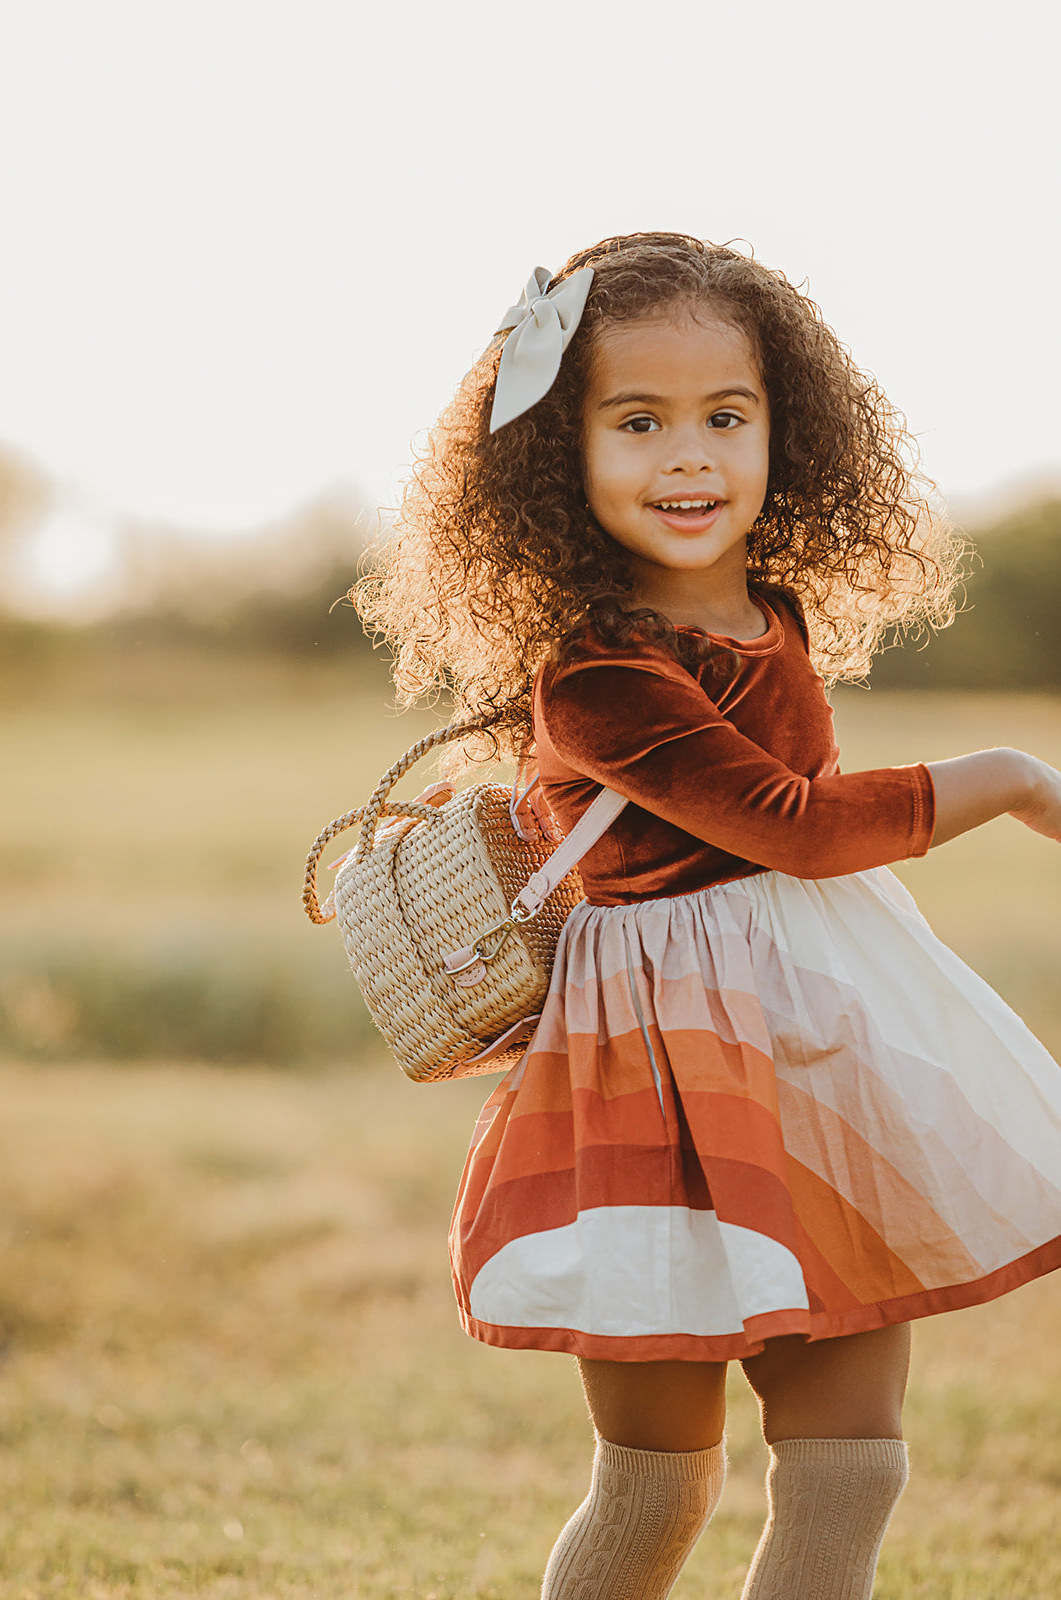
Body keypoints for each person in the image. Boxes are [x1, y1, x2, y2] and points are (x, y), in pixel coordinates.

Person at [354, 233, 1061, 1599]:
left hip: (814, 1055)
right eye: (637, 422)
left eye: (723, 417)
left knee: (852, 1464)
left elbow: (793, 803)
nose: (689, 457)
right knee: (655, 1487)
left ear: (782, 431)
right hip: (653, 1089)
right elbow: (790, 829)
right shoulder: (597, 673)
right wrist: (1013, 780)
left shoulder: (769, 616)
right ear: (556, 456)